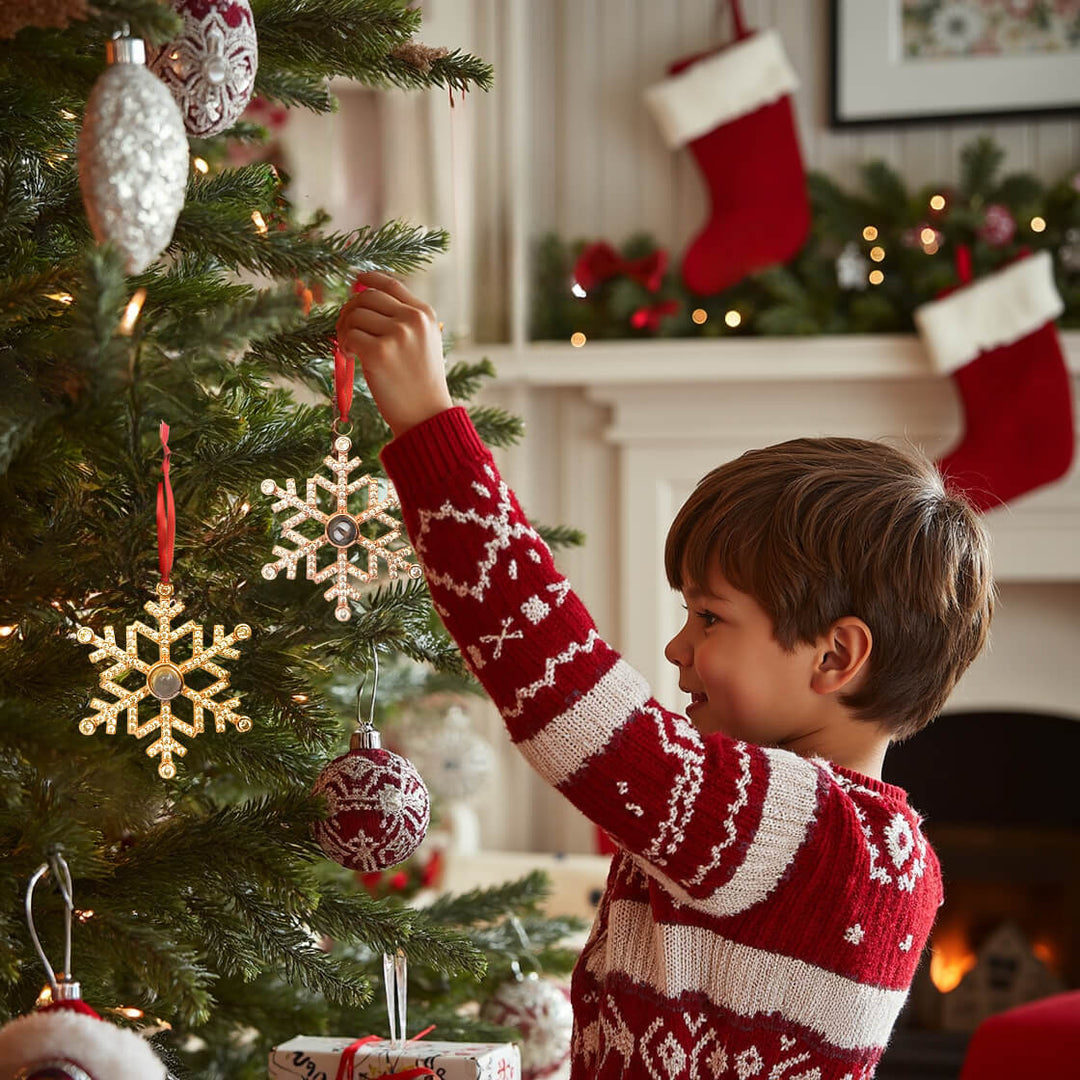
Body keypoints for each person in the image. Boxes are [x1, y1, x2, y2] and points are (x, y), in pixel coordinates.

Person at [337, 272, 995, 1080]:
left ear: (834, 656)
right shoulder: (866, 847)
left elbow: (567, 693)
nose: (679, 649)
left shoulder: (814, 832)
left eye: (711, 617)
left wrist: (430, 427)